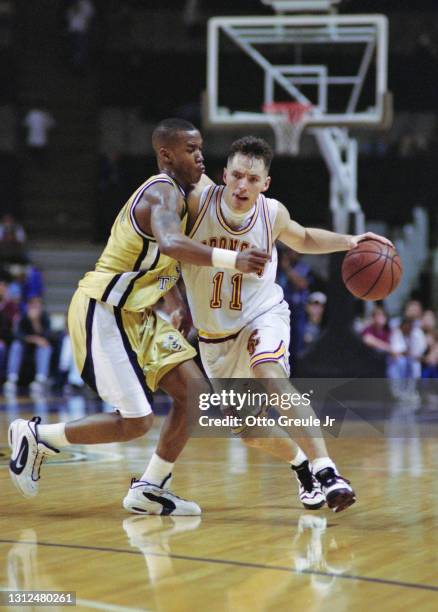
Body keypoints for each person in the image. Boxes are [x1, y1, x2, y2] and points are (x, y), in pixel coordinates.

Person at [8, 119, 268, 515]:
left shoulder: (179, 197)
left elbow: (164, 259)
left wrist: (176, 300)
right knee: (136, 421)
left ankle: (150, 488)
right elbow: (170, 243)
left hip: (138, 315)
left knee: (194, 395)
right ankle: (38, 435)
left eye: (200, 149)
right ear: (166, 155)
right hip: (105, 310)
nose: (200, 156)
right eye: (190, 149)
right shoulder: (162, 193)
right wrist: (234, 259)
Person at [181, 136, 393, 513]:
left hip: (262, 314)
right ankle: (301, 464)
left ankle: (328, 472)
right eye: (237, 176)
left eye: (252, 178)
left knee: (269, 369)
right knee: (247, 431)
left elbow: (305, 237)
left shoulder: (271, 213)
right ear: (224, 175)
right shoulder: (198, 203)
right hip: (214, 339)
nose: (243, 185)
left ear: (266, 183)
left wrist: (350, 241)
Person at [3, 296, 53, 396]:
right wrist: (34, 339)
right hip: (25, 347)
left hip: (38, 349)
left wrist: (35, 322)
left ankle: (40, 380)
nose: (35, 308)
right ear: (28, 306)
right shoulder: (23, 317)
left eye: (38, 305)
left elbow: (46, 337)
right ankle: (12, 379)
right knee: (16, 345)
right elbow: (17, 335)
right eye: (33, 305)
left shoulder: (45, 317)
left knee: (45, 348)